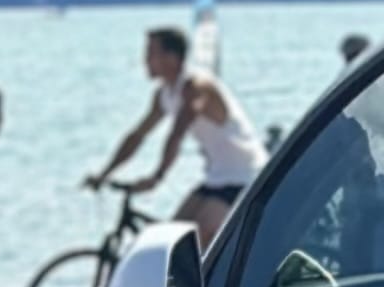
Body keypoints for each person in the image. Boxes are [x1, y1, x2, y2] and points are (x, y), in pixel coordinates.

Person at [92, 24, 271, 251]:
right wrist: (105, 173)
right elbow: (137, 135)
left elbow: (177, 133)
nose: (145, 61)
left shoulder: (196, 86)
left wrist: (157, 176)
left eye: (151, 54)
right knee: (173, 241)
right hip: (216, 178)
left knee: (202, 234)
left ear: (172, 57)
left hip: (245, 175)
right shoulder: (163, 94)